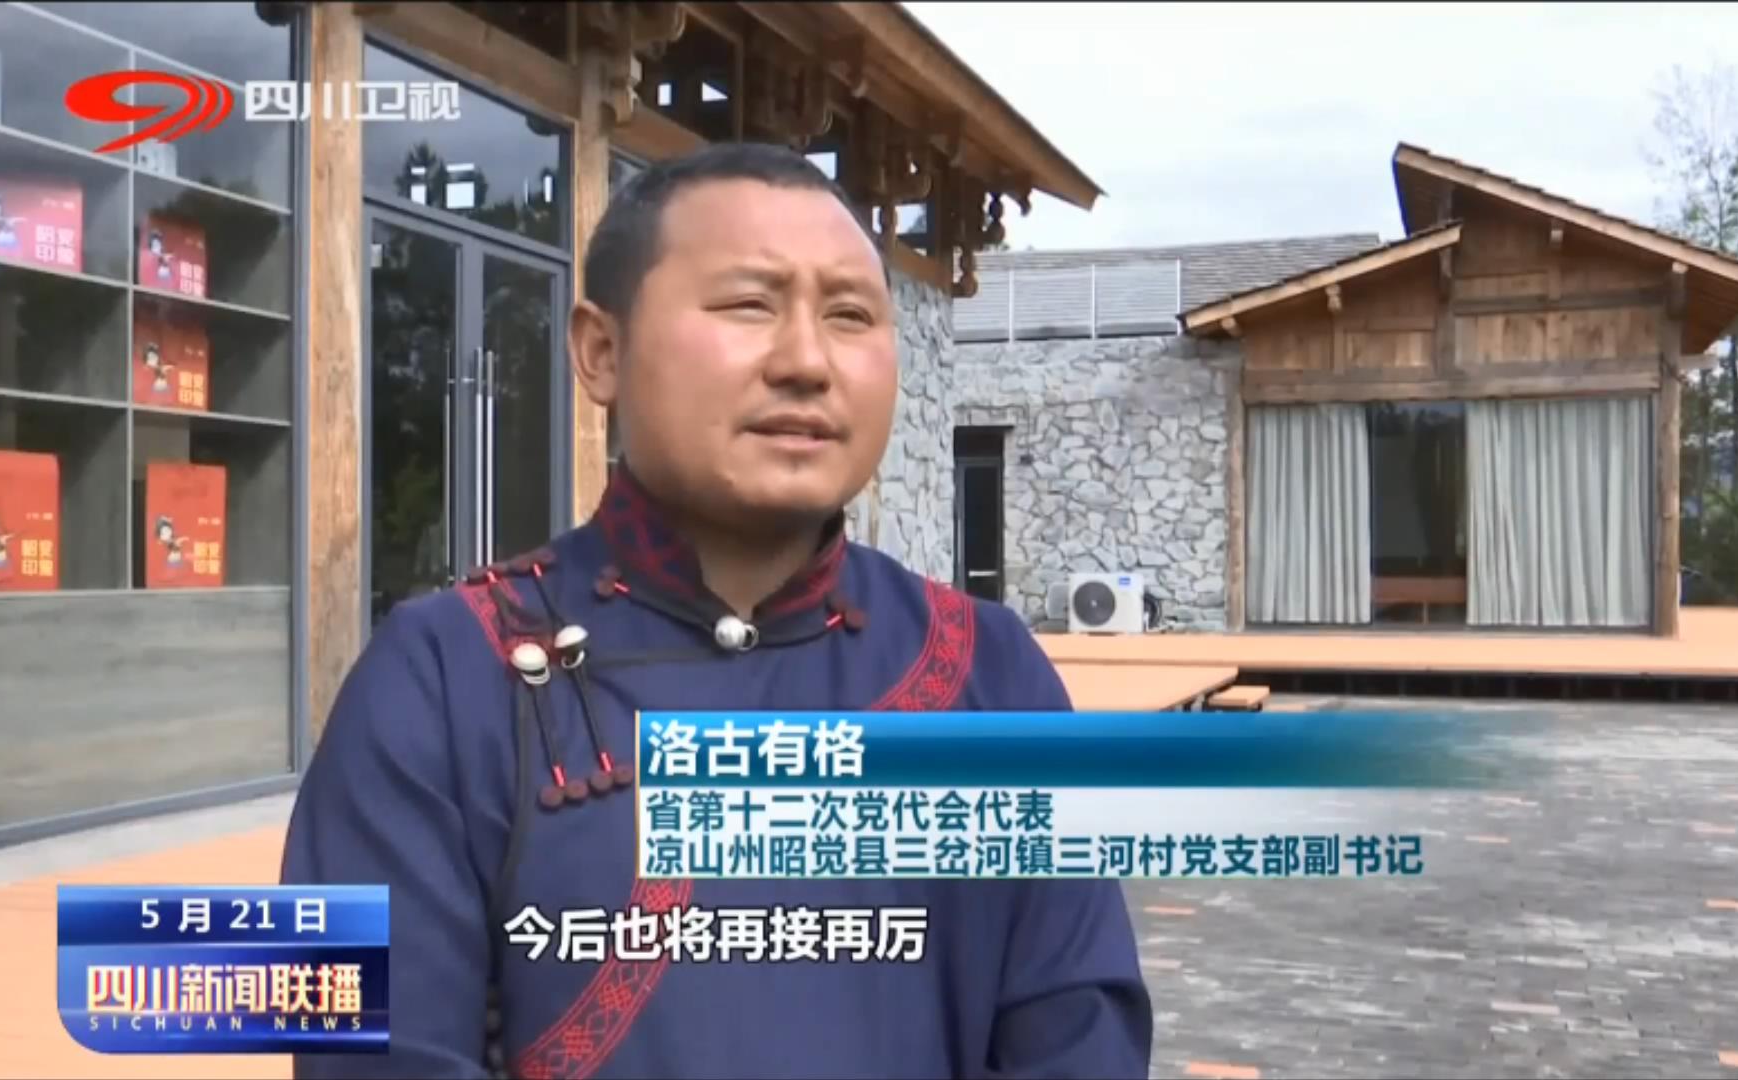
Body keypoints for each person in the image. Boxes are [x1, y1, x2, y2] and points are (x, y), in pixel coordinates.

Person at [281, 142, 1152, 1079]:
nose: (807, 362)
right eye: (749, 305)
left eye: (850, 316)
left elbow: (1082, 1030)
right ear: (601, 352)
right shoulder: (437, 677)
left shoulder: (992, 671)